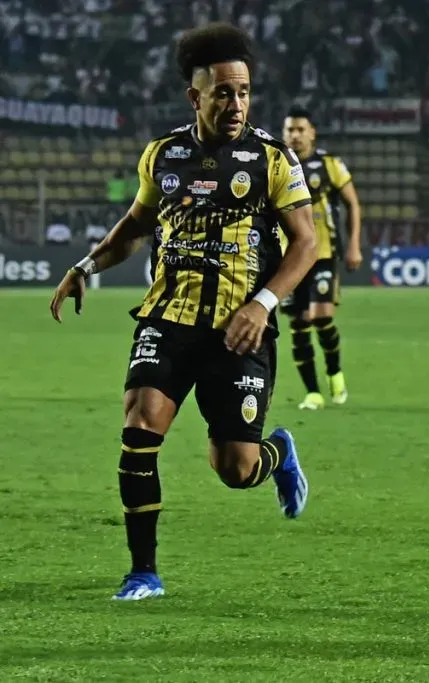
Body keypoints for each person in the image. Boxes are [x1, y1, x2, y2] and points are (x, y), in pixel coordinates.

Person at [47, 22, 318, 601]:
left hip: (237, 330)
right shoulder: (164, 154)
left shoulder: (272, 158)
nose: (236, 103)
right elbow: (135, 226)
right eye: (223, 92)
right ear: (196, 97)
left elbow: (306, 243)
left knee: (236, 470)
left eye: (244, 91)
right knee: (140, 424)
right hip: (167, 318)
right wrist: (86, 266)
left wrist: (263, 303)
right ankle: (143, 572)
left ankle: (277, 451)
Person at [280, 106, 363, 409]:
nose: (295, 135)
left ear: (312, 132)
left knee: (321, 316)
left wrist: (354, 244)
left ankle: (334, 371)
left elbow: (353, 203)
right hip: (288, 259)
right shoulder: (275, 164)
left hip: (323, 254)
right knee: (299, 324)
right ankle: (312, 392)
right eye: (290, 130)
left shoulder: (329, 165)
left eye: (301, 129)